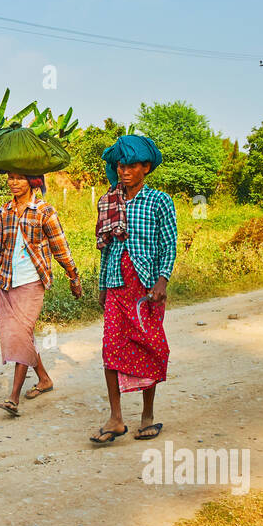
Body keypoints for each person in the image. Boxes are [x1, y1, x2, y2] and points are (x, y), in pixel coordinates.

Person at [88, 135, 177, 445]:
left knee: (148, 345)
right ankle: (115, 418)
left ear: (146, 167)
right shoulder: (109, 201)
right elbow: (106, 248)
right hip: (116, 283)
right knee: (110, 348)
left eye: (131, 166)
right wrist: (102, 286)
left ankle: (147, 416)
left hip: (146, 288)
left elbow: (169, 244)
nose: (124, 171)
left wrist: (162, 280)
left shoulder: (159, 201)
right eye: (120, 166)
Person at [0, 172, 83, 416]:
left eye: (19, 178)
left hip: (33, 282)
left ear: (32, 182)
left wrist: (73, 276)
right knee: (21, 337)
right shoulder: (4, 212)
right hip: (8, 282)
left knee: (21, 335)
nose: (13, 182)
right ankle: (44, 379)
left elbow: (60, 246)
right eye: (10, 178)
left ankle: (13, 397)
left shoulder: (44, 211)